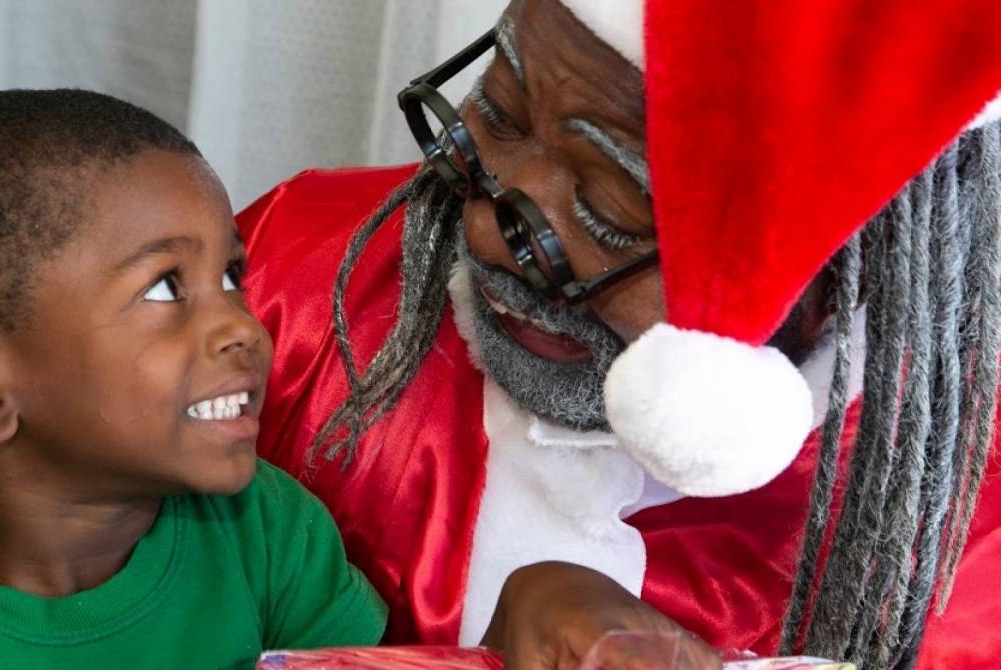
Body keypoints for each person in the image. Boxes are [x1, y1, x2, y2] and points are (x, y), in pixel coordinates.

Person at [0, 89, 704, 669]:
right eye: (165, 287)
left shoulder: (264, 530)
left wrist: (533, 597)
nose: (240, 322)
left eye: (231, 274)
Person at [236, 1, 1001, 668]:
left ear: (857, 265)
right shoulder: (277, 288)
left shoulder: (975, 552)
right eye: (497, 118)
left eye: (611, 203)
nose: (490, 231)